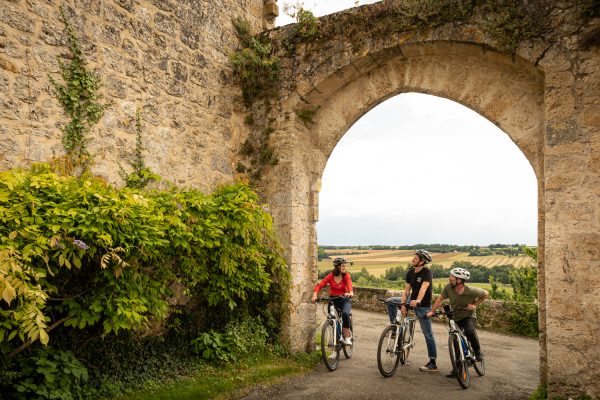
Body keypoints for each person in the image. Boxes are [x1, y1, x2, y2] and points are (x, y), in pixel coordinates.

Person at [426, 267, 489, 377]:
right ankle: (458, 367)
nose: (450, 278)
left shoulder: (470, 290)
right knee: (455, 341)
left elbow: (485, 294)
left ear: (459, 280)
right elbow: (440, 299)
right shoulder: (448, 288)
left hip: (468, 316)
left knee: (469, 331)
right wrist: (432, 311)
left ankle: (478, 352)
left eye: (452, 277)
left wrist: (474, 305)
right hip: (455, 317)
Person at [386, 249, 437, 372]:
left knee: (428, 334)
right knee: (391, 301)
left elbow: (424, 288)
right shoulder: (410, 272)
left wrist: (418, 300)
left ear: (422, 262)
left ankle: (433, 362)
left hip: (423, 305)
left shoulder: (427, 273)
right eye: (413, 257)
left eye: (416, 258)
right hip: (411, 301)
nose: (413, 259)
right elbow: (406, 291)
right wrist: (403, 304)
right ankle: (395, 328)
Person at [311, 257, 354, 345]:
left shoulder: (346, 275)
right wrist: (315, 294)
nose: (344, 268)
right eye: (343, 266)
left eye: (345, 266)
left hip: (344, 299)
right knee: (332, 320)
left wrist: (350, 292)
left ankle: (347, 336)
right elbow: (320, 285)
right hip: (333, 300)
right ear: (337, 267)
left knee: (345, 314)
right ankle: (335, 347)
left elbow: (349, 285)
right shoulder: (330, 276)